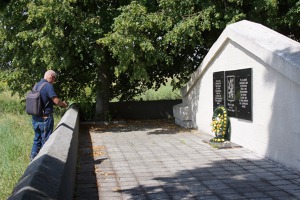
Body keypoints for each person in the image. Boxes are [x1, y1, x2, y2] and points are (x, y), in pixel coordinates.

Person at [30, 70, 68, 161]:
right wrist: (63, 105)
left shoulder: (36, 85)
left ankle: (33, 160)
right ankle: (44, 161)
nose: (54, 82)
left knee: (37, 138)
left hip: (35, 117)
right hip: (45, 118)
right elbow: (56, 100)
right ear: (51, 76)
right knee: (46, 140)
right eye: (54, 79)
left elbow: (43, 100)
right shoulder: (48, 85)